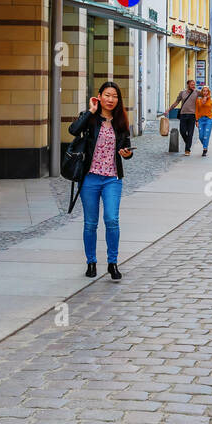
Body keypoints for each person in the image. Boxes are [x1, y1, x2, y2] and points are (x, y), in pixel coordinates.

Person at [69, 81, 134, 280]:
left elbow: (128, 149)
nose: (110, 99)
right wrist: (90, 111)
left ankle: (113, 263)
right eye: (107, 95)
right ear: (99, 96)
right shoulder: (90, 119)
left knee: (112, 220)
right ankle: (91, 262)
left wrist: (126, 153)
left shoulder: (121, 121)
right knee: (90, 223)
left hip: (112, 178)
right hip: (90, 178)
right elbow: (73, 130)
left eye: (114, 96)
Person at [172, 79, 201, 155]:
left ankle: (187, 150)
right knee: (182, 131)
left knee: (190, 133)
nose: (193, 86)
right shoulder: (182, 93)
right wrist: (169, 109)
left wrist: (205, 96)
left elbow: (206, 94)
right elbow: (176, 102)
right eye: (192, 84)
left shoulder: (197, 92)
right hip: (183, 114)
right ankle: (188, 143)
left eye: (194, 84)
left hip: (192, 115)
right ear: (188, 85)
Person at [194, 85, 212, 156]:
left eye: (206, 91)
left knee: (206, 135)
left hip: (209, 119)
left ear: (208, 92)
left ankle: (205, 149)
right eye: (204, 91)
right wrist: (196, 120)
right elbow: (196, 110)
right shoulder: (198, 100)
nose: (205, 92)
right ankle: (205, 144)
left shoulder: (211, 100)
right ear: (202, 92)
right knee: (201, 136)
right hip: (200, 119)